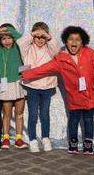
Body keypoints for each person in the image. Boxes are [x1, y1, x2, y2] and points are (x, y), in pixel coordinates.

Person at [21, 25, 94, 155]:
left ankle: (88, 142)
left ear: (83, 42)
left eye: (78, 39)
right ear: (65, 41)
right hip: (74, 96)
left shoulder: (90, 53)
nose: (74, 42)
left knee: (88, 119)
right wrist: (27, 74)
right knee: (74, 119)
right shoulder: (61, 59)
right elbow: (44, 68)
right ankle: (73, 143)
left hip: (90, 95)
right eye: (71, 39)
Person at [17, 22, 60, 152]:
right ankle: (33, 139)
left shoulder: (49, 49)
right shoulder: (28, 49)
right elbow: (20, 43)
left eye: (43, 37)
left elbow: (56, 49)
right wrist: (33, 34)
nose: (40, 40)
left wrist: (47, 36)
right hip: (32, 86)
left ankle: (46, 138)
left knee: (44, 114)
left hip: (47, 86)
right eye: (37, 37)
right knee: (33, 114)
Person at [0, 24, 27, 149]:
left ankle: (19, 139)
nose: (7, 41)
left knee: (19, 113)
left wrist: (9, 31)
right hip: (4, 83)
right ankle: (6, 138)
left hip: (18, 82)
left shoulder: (18, 48)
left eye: (9, 38)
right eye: (3, 38)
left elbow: (21, 38)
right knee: (7, 113)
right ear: (0, 39)